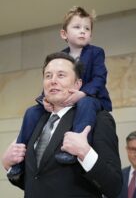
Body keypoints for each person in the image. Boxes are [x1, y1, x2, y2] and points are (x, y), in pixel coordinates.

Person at [8, 6, 112, 178]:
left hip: (91, 97)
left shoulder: (96, 52)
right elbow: (51, 82)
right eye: (77, 27)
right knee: (32, 112)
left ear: (91, 35)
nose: (82, 32)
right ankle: (19, 159)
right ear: (64, 34)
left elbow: (100, 79)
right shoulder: (59, 57)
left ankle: (72, 148)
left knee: (86, 104)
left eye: (87, 28)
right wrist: (45, 101)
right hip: (64, 99)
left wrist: (83, 93)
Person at [1, 52, 122, 198]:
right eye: (48, 76)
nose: (53, 81)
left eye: (61, 75)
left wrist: (85, 152)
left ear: (78, 84)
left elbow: (114, 187)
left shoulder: (98, 119)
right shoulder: (35, 120)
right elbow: (38, 181)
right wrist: (8, 165)